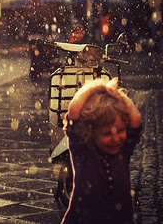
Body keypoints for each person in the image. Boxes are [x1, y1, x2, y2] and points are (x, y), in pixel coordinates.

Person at [61, 78, 143, 224]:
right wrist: (99, 87)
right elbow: (74, 109)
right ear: (91, 132)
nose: (116, 138)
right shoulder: (83, 151)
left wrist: (116, 94)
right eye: (107, 133)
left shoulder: (123, 151)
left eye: (120, 130)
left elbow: (136, 118)